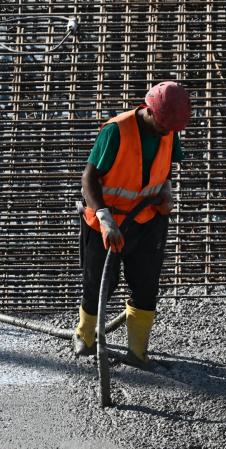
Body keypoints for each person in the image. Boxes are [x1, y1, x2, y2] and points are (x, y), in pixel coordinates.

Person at [73, 81, 191, 369]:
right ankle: (85, 336)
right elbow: (88, 178)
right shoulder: (117, 131)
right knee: (98, 282)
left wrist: (166, 193)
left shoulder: (169, 128)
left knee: (145, 285)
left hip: (147, 219)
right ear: (149, 110)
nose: (167, 131)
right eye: (163, 125)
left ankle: (137, 353)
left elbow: (165, 169)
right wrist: (104, 217)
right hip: (106, 222)